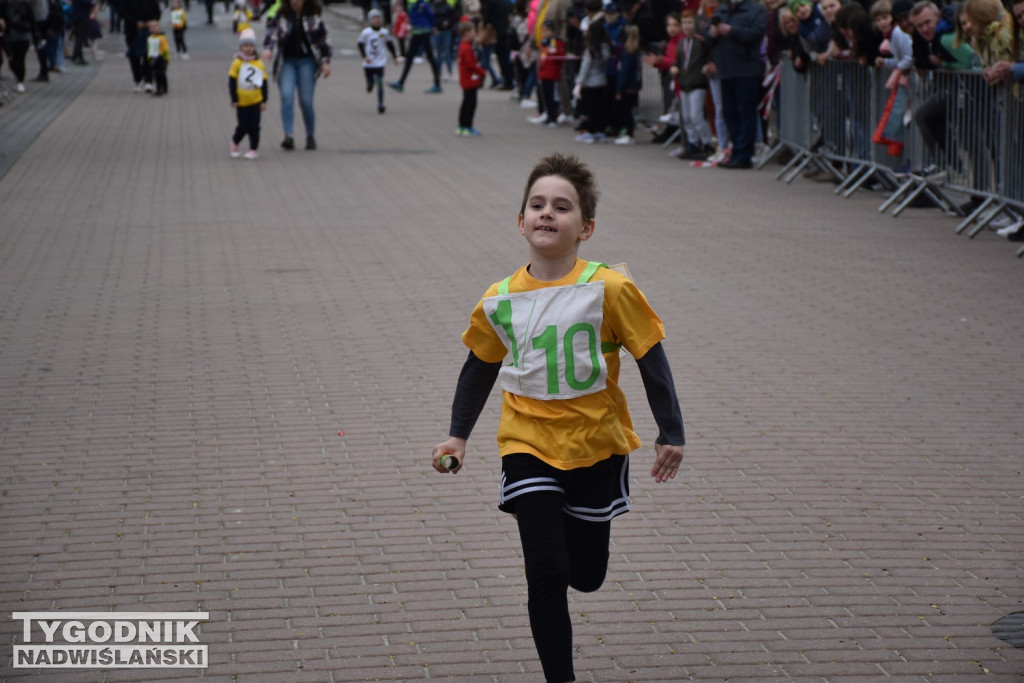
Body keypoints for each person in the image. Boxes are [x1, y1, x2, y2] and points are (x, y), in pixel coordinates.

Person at [431, 152, 685, 683]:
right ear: (521, 221)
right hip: (525, 442)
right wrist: (457, 436)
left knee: (585, 576)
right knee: (546, 572)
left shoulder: (610, 289)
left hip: (596, 443)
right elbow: (478, 367)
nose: (547, 213)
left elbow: (649, 355)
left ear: (585, 228)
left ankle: (577, 542)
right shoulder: (499, 299)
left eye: (562, 207)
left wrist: (671, 433)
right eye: (537, 204)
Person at [262, 0, 332, 151]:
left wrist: (325, 62)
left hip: (307, 62)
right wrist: (268, 49)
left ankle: (310, 136)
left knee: (306, 100)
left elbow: (323, 41)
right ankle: (289, 135)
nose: (295, 1)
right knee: (287, 96)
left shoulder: (314, 18)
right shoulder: (282, 16)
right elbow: (271, 33)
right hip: (287, 62)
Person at [706, 0, 766, 169]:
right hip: (726, 70)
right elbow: (708, 38)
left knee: (745, 112)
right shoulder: (722, 9)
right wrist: (712, 33)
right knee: (730, 113)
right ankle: (736, 151)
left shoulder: (756, 10)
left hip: (746, 69)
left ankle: (745, 154)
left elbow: (756, 33)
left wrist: (733, 31)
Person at [671, 9, 714, 158]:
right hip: (684, 84)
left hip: (697, 83)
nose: (687, 26)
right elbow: (679, 60)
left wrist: (707, 65)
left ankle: (706, 143)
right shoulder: (681, 43)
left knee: (696, 116)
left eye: (690, 22)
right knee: (687, 117)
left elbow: (709, 55)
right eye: (684, 23)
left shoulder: (700, 41)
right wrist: (674, 67)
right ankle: (693, 143)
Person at [229, 28, 268, 159]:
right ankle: (235, 141)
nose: (248, 48)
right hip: (242, 100)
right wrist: (234, 98)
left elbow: (264, 82)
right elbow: (232, 81)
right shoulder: (237, 63)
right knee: (243, 125)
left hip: (256, 100)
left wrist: (264, 100)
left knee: (255, 126)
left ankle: (253, 148)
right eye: (245, 46)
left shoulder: (258, 63)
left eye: (251, 46)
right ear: (241, 48)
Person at [387, 0, 443, 93]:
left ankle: (437, 84)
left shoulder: (421, 4)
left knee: (429, 57)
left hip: (423, 31)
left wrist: (433, 26)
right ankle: (401, 82)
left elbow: (429, 15)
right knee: (412, 57)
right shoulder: (414, 3)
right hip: (417, 31)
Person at [573, 17, 611, 142]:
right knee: (599, 108)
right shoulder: (606, 47)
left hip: (590, 83)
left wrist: (579, 83)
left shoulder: (591, 50)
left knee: (590, 109)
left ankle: (591, 131)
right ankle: (599, 130)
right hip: (602, 81)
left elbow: (585, 67)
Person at [357, 8, 397, 114]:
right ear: (370, 20)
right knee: (370, 81)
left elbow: (390, 44)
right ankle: (370, 83)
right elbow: (360, 44)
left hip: (380, 61)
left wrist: (395, 56)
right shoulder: (366, 33)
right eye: (374, 18)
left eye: (378, 18)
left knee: (380, 82)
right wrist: (364, 56)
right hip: (369, 62)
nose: (377, 20)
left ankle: (381, 104)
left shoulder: (384, 32)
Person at [531, 19, 565, 125]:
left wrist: (556, 52)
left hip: (552, 75)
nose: (545, 33)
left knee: (553, 97)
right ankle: (548, 116)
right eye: (543, 30)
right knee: (545, 96)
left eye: (548, 30)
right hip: (544, 74)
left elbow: (560, 57)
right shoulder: (544, 43)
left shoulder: (556, 42)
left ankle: (553, 117)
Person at [611, 23, 641, 144]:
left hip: (628, 87)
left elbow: (625, 72)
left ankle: (629, 134)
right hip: (633, 86)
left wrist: (619, 89)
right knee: (628, 111)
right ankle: (628, 132)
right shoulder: (635, 52)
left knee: (627, 111)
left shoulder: (628, 53)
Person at [456, 19, 486, 134]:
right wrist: (481, 71)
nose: (475, 34)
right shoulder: (466, 48)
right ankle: (467, 125)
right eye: (473, 31)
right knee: (470, 104)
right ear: (466, 33)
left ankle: (462, 125)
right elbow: (470, 64)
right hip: (469, 79)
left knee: (466, 102)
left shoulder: (464, 46)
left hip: (466, 79)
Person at [0, 0, 37, 91]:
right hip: (9, 36)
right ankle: (17, 76)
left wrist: (36, 36)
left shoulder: (25, 4)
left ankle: (20, 81)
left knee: (20, 59)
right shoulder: (5, 4)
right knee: (11, 60)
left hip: (23, 36)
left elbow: (32, 20)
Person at [431, 0, 454, 81]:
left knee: (447, 52)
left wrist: (448, 22)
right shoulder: (433, 6)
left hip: (446, 31)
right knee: (438, 53)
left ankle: (449, 71)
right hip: (437, 31)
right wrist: (433, 27)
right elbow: (431, 17)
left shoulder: (448, 6)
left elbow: (452, 17)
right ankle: (438, 73)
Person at [146, 17, 169, 95]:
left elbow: (166, 49)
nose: (153, 28)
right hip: (154, 58)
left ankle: (163, 87)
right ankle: (159, 88)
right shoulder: (150, 38)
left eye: (155, 26)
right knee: (156, 73)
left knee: (161, 73)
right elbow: (149, 49)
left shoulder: (162, 38)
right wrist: (149, 59)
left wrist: (166, 59)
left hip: (161, 57)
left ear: (159, 28)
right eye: (151, 27)